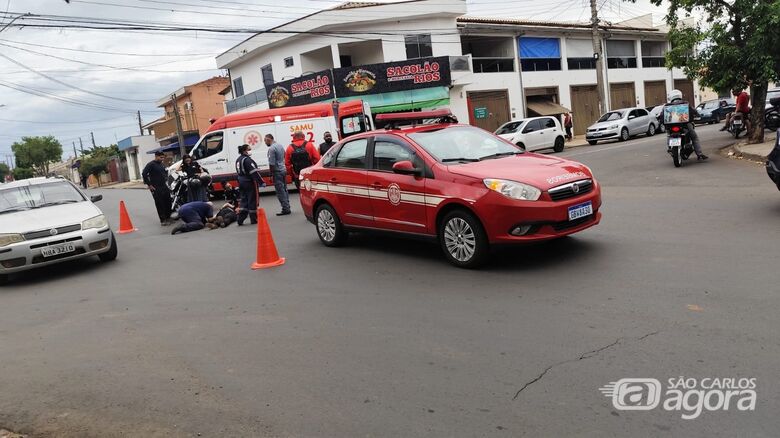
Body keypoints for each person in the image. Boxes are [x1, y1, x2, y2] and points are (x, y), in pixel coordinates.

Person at [667, 89, 708, 160]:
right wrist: (698, 115)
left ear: (671, 97)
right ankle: (699, 154)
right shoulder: (685, 103)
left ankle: (669, 147)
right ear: (680, 95)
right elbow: (693, 111)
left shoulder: (667, 105)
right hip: (685, 125)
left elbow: (662, 115)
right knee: (694, 137)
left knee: (668, 134)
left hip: (671, 126)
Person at [235, 143, 266, 225]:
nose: (250, 151)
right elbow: (254, 172)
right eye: (249, 150)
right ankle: (254, 219)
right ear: (244, 151)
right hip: (249, 181)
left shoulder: (238, 159)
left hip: (241, 181)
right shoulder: (247, 160)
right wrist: (261, 182)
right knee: (252, 199)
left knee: (244, 200)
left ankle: (240, 219)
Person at [142, 151, 173, 225]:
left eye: (163, 157)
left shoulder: (161, 164)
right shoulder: (151, 164)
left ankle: (168, 217)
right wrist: (149, 185)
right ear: (156, 156)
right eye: (161, 157)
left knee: (168, 202)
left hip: (164, 186)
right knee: (160, 203)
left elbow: (165, 173)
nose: (162, 159)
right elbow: (144, 173)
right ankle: (163, 220)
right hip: (156, 187)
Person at [265, 133, 291, 216]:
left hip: (277, 171)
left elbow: (271, 163)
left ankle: (285, 208)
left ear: (269, 139)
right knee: (284, 188)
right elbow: (284, 155)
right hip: (283, 169)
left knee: (280, 191)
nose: (265, 143)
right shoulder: (280, 145)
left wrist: (270, 174)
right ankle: (287, 205)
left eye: (265, 141)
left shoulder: (271, 149)